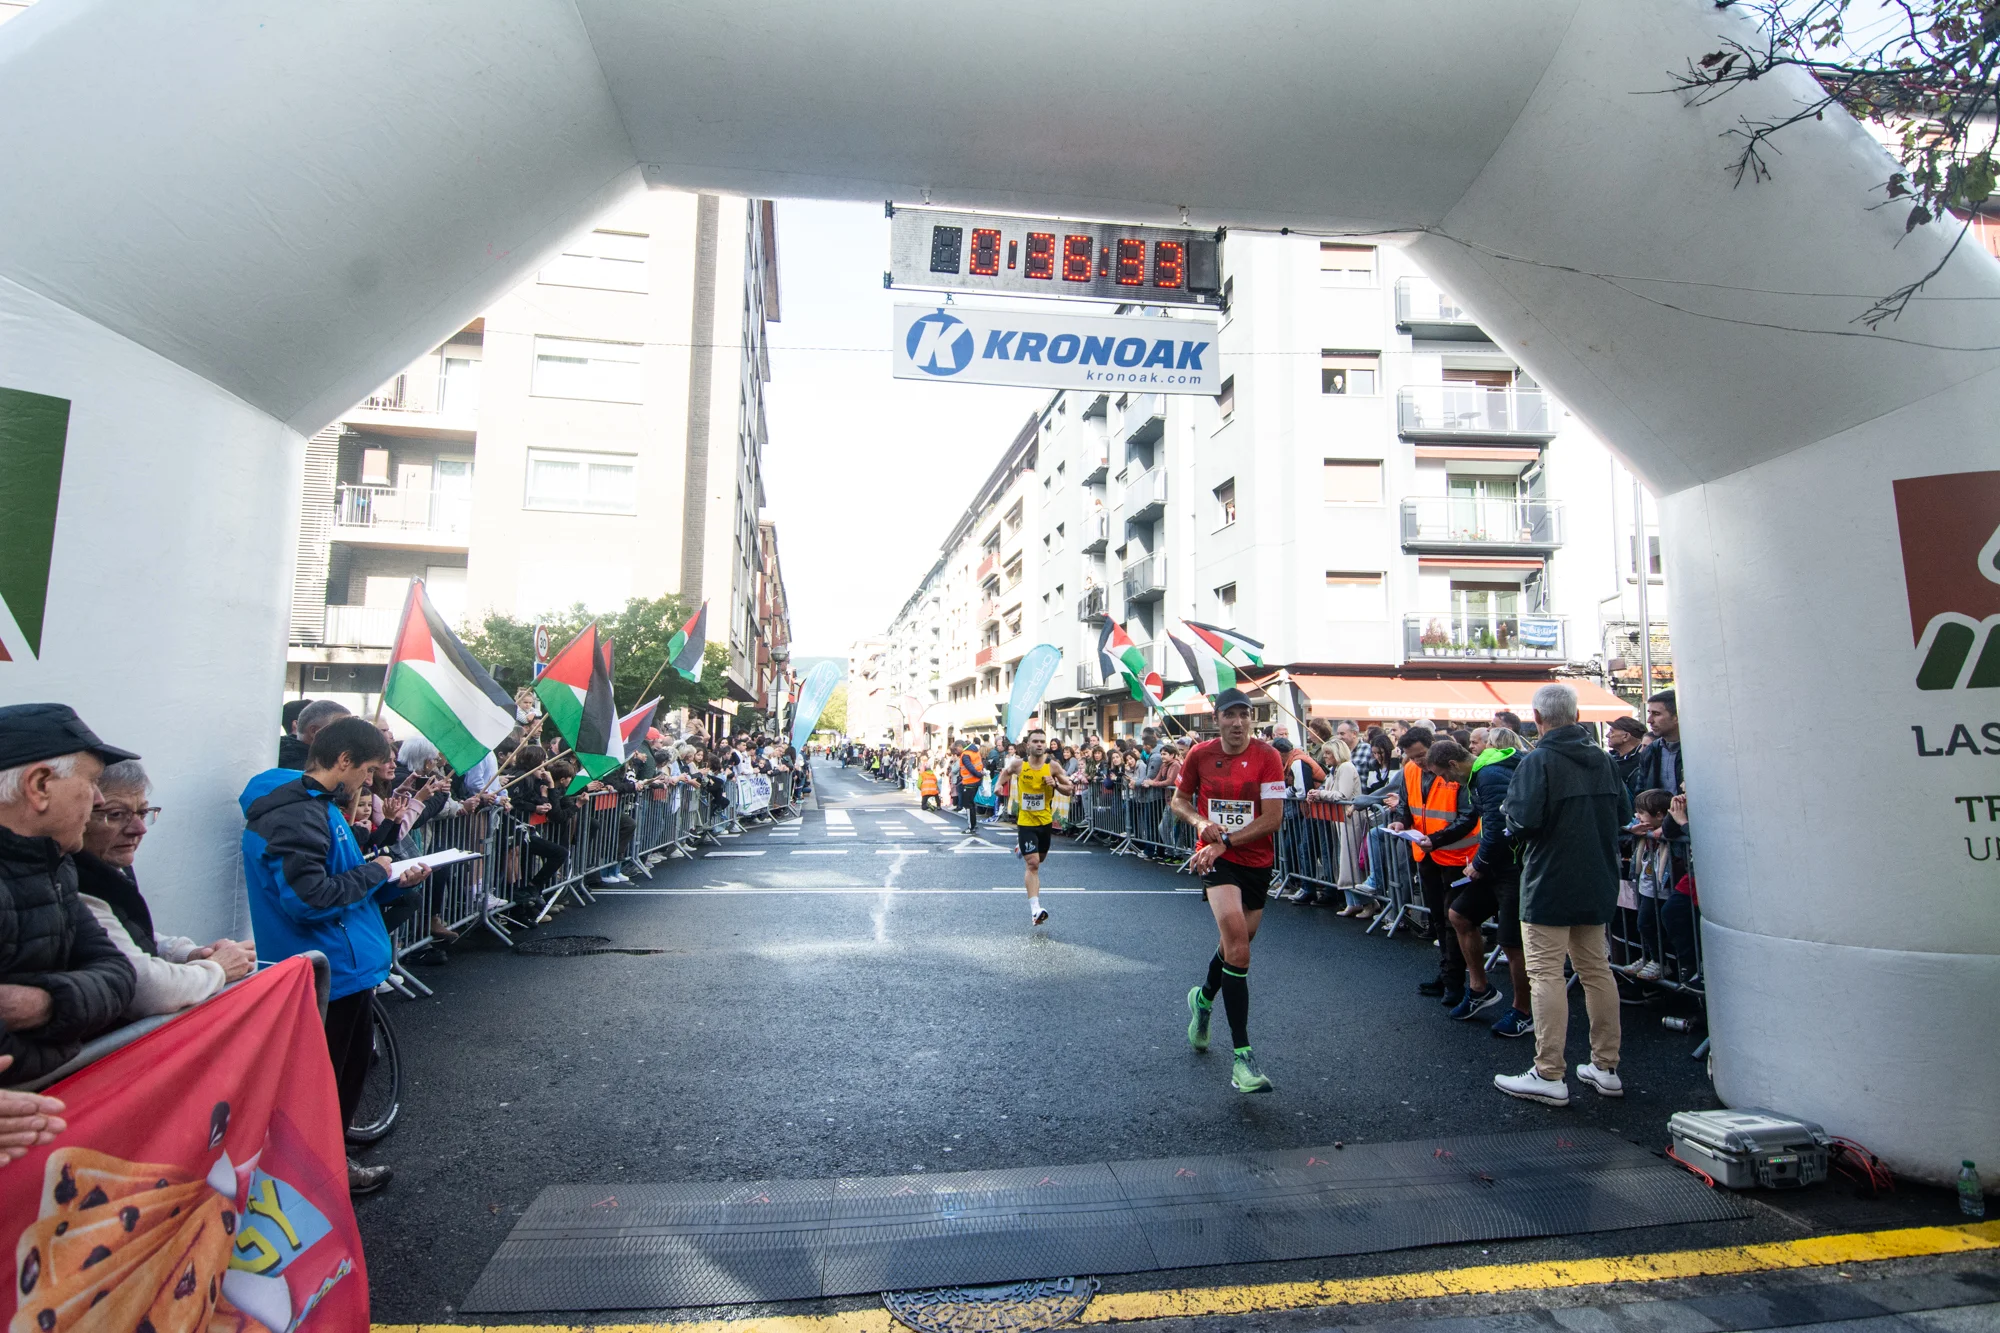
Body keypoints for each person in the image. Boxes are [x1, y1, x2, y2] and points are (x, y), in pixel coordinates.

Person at [241, 715, 431, 1194]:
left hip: (344, 967)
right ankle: (321, 1176)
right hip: (328, 970)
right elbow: (309, 900)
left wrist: (390, 881)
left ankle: (326, 1165)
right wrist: (377, 873)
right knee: (325, 1084)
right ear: (343, 760)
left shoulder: (316, 806)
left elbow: (339, 882)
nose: (367, 784)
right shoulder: (297, 813)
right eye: (366, 771)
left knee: (344, 1076)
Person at [1494, 684, 1631, 1108]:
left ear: (1537, 718)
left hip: (1549, 880)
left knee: (1546, 975)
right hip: (1597, 876)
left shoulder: (1538, 760)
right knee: (1596, 971)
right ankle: (1606, 1066)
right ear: (1577, 715)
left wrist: (1508, 815)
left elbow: (1522, 820)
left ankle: (1549, 1072)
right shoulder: (1604, 759)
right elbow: (1624, 814)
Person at [0, 704, 140, 1086]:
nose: (99, 799)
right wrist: (68, 1037)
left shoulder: (57, 865)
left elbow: (118, 975)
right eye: (92, 781)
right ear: (40, 785)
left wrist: (44, 1003)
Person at [1169, 688, 1285, 1094]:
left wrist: (1229, 841)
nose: (1238, 722)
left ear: (1252, 718)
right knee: (1238, 945)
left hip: (1255, 860)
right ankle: (1243, 1059)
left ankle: (1203, 1000)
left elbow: (1273, 818)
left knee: (1237, 946)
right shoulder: (1199, 755)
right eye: (1230, 715)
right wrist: (1202, 824)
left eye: (1244, 715)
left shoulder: (1268, 756)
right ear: (1216, 718)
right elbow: (1179, 801)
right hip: (1214, 859)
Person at [75, 760, 254, 1019]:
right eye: (115, 814)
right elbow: (143, 985)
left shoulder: (107, 865)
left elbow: (126, 934)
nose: (139, 829)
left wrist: (188, 953)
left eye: (142, 812)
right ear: (75, 813)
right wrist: (216, 968)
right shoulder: (71, 879)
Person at [1461, 727, 1534, 1038]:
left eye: (1479, 741)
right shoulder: (1487, 769)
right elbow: (1480, 817)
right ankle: (1480, 989)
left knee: (1512, 942)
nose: (1475, 746)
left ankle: (1523, 1010)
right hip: (1498, 864)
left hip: (1511, 865)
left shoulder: (1490, 772)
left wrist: (1480, 863)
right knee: (1460, 914)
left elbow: (1498, 824)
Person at [1002, 729, 1074, 926]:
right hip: (1026, 822)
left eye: (1042, 741)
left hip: (1044, 821)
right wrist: (998, 786)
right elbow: (1005, 773)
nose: (1040, 744)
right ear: (1028, 745)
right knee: (1033, 863)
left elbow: (1069, 789)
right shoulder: (1019, 764)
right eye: (1035, 741)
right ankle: (1035, 909)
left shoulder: (1053, 766)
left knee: (1040, 859)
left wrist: (1056, 785)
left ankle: (1021, 847)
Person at [1605, 714, 1648, 789]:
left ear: (1626, 736)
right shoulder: (1611, 758)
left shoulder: (1641, 761)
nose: (1607, 735)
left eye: (1612, 732)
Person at [957, 741, 986, 833]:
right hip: (976, 781)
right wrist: (980, 775)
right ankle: (974, 825)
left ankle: (971, 827)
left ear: (960, 746)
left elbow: (970, 768)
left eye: (956, 749)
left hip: (969, 782)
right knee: (972, 804)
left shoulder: (965, 755)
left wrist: (978, 774)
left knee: (968, 805)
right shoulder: (974, 751)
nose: (956, 751)